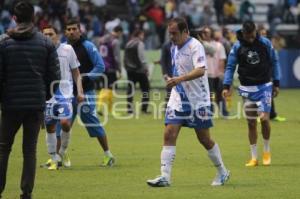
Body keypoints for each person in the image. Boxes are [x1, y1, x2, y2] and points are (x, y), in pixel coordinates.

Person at [147, 17, 230, 187]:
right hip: (178, 98)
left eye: (175, 33)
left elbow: (200, 70)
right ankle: (165, 177)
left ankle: (223, 172)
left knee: (204, 139)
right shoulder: (173, 47)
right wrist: (174, 81)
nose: (171, 37)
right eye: (170, 33)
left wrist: (179, 79)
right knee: (169, 133)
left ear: (185, 32)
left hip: (198, 100)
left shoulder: (195, 46)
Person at [0, 1, 60, 199]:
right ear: (34, 18)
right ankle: (26, 193)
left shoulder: (4, 42)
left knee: (3, 147)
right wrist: (44, 97)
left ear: (14, 18)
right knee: (29, 150)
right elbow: (54, 77)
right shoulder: (46, 43)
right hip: (35, 104)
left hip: (10, 104)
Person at [222, 21, 281, 167]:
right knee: (251, 122)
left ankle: (266, 150)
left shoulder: (265, 43)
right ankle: (254, 157)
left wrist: (277, 82)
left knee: (265, 119)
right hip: (246, 88)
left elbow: (274, 61)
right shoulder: (237, 46)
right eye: (247, 36)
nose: (250, 39)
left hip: (264, 86)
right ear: (243, 33)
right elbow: (230, 67)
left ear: (256, 31)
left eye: (252, 35)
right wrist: (226, 85)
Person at [63, 18, 115, 166]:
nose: (72, 32)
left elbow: (100, 66)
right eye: (69, 29)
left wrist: (85, 77)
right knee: (62, 125)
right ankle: (60, 156)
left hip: (86, 93)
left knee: (93, 124)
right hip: (66, 94)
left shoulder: (88, 46)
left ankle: (108, 155)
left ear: (80, 30)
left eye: (74, 29)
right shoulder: (64, 48)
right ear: (65, 32)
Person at [41, 25, 84, 170]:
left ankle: (63, 151)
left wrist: (80, 91)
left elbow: (76, 72)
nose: (48, 36)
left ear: (57, 35)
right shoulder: (39, 51)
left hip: (65, 94)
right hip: (47, 95)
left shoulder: (67, 49)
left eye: (50, 34)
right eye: (45, 34)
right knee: (50, 126)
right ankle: (54, 158)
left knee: (65, 123)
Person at [258, 27, 286, 122]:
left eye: (265, 34)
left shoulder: (269, 46)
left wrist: (275, 79)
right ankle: (259, 115)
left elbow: (275, 62)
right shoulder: (253, 47)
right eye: (262, 33)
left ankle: (272, 115)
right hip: (256, 75)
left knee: (268, 95)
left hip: (267, 74)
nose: (264, 35)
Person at [97, 25, 123, 116]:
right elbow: (117, 57)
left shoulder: (101, 40)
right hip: (110, 68)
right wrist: (119, 69)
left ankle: (110, 110)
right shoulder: (115, 41)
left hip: (101, 67)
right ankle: (100, 107)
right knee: (108, 88)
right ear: (119, 32)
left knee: (106, 88)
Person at [124, 29, 151, 114]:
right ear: (139, 34)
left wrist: (127, 67)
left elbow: (125, 58)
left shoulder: (128, 43)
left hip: (130, 70)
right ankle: (144, 109)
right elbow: (142, 58)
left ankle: (129, 109)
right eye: (142, 35)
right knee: (145, 89)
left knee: (130, 90)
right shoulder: (140, 43)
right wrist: (146, 68)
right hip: (140, 70)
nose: (143, 37)